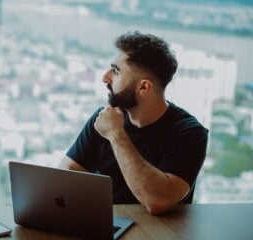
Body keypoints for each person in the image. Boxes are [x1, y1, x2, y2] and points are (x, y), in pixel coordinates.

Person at [59, 31, 208, 215]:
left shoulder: (189, 133)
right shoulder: (105, 117)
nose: (105, 78)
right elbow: (68, 171)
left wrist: (116, 134)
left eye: (116, 71)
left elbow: (158, 201)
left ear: (144, 87)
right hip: (106, 223)